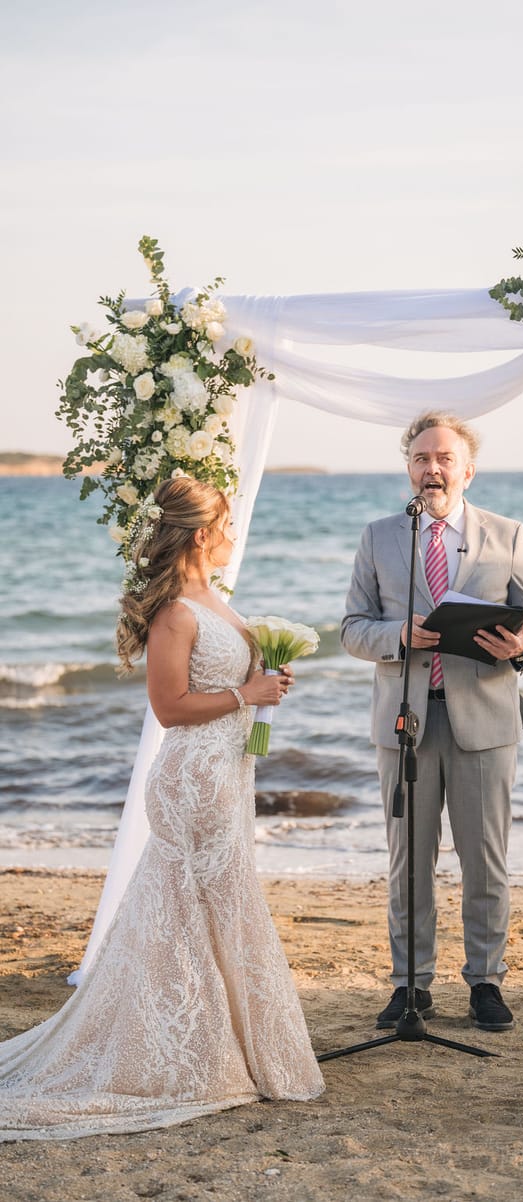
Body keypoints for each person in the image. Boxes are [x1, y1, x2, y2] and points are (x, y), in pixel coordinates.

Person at [0, 476, 323, 1140]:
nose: (234, 538)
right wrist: (247, 695)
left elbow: (229, 684)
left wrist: (263, 686)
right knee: (198, 904)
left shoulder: (213, 599)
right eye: (227, 527)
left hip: (227, 773)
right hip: (194, 778)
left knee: (206, 907)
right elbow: (170, 708)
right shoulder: (177, 610)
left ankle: (220, 1043)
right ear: (203, 535)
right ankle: (190, 1054)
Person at [341, 411, 523, 1032]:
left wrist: (520, 649)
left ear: (468, 468)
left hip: (485, 720)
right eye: (420, 459)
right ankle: (411, 985)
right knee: (408, 860)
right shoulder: (379, 536)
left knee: (486, 859)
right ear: (409, 468)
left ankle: (486, 982)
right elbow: (352, 630)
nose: (431, 469)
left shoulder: (507, 533)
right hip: (404, 723)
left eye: (443, 458)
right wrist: (397, 635)